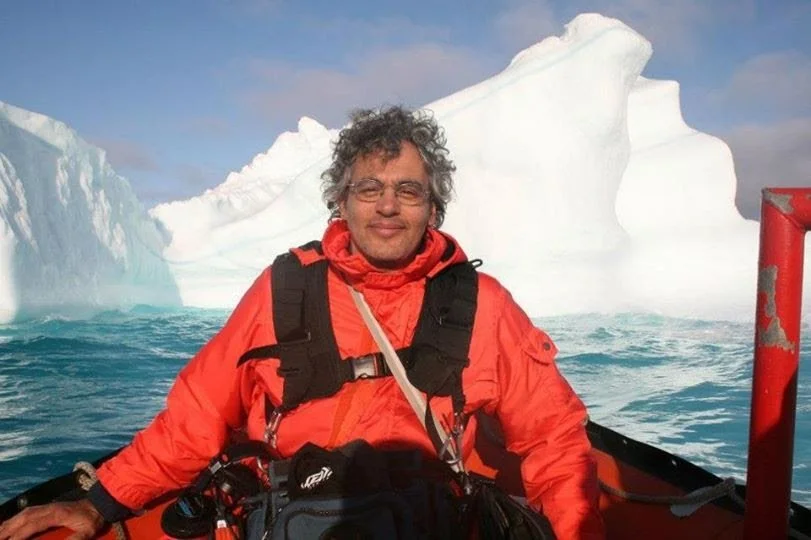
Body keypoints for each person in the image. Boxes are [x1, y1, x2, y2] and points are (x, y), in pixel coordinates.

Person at [0, 106, 604, 539]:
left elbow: (554, 438)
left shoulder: (483, 305)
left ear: (434, 208)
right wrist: (102, 502)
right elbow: (196, 420)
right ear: (340, 203)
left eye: (407, 190)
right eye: (368, 188)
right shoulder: (283, 290)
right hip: (297, 518)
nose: (387, 205)